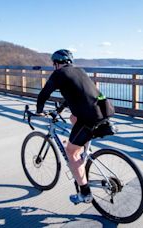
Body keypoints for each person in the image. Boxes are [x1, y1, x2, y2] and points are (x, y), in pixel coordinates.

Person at [36, 49, 105, 204]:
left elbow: (43, 94)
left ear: (56, 63)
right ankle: (84, 151)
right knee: (73, 117)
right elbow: (76, 94)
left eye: (54, 64)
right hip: (101, 111)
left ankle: (85, 194)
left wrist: (39, 111)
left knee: (70, 152)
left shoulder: (59, 74)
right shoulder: (79, 71)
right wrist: (60, 109)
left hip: (89, 118)